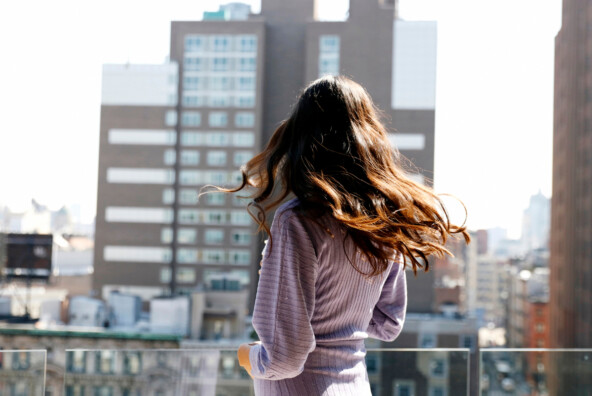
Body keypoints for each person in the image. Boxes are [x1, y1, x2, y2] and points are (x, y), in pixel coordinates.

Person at [228, 75, 470, 395]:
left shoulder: (298, 221)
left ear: (303, 138)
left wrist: (247, 355)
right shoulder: (383, 220)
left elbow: (284, 360)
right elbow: (387, 323)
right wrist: (336, 309)